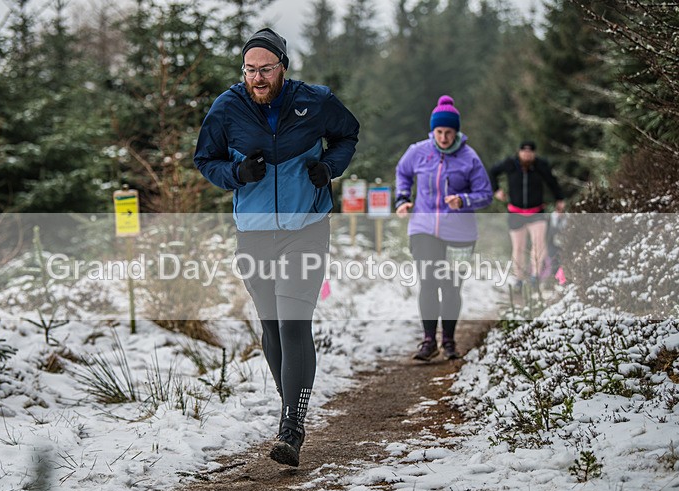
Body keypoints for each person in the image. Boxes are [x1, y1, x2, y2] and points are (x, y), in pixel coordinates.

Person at [194, 28, 359, 467]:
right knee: (271, 327)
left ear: (283, 66)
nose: (258, 78)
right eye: (250, 70)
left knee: (292, 324)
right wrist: (236, 174)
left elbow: (348, 135)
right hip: (253, 232)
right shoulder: (227, 108)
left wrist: (329, 167)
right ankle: (293, 408)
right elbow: (205, 160)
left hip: (305, 227)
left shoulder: (316, 100)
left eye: (266, 69)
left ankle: (291, 426)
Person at [395, 95, 493, 361]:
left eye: (449, 132)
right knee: (428, 282)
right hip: (423, 227)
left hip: (461, 235)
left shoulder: (469, 158)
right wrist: (403, 198)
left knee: (451, 286)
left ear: (457, 132)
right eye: (439, 132)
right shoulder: (418, 151)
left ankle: (448, 340)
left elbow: (485, 193)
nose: (444, 137)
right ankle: (429, 341)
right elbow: (402, 173)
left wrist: (464, 200)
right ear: (433, 130)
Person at [489, 141, 565, 289]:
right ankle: (519, 279)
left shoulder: (540, 165)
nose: (527, 155)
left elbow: (552, 181)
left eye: (530, 153)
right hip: (515, 212)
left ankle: (535, 277)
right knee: (518, 247)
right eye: (524, 152)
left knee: (539, 245)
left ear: (534, 153)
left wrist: (559, 198)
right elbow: (492, 172)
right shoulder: (510, 163)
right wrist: (496, 190)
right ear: (519, 152)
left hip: (536, 212)